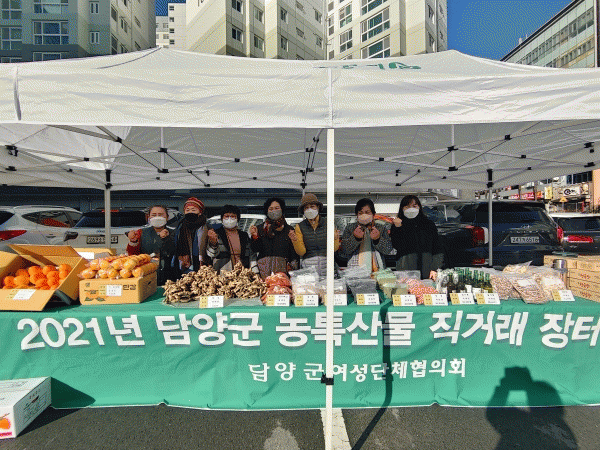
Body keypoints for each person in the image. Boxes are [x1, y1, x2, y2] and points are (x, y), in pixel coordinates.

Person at [390, 195, 443, 280]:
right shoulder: (398, 225)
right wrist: (398, 228)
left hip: (427, 270)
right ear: (402, 209)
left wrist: (435, 268)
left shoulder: (428, 224)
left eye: (414, 206)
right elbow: (398, 246)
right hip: (405, 271)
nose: (411, 209)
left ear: (419, 207)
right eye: (407, 207)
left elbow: (437, 248)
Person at [290, 193, 340, 278]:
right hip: (309, 269)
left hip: (328, 267)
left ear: (318, 207)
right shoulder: (300, 226)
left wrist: (335, 239)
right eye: (306, 208)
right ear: (303, 211)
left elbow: (334, 249)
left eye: (312, 206)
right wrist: (295, 241)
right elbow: (301, 252)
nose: (309, 209)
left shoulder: (329, 222)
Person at [249, 197, 298, 279]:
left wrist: (293, 269)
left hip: (283, 274)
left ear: (282, 209)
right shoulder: (259, 229)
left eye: (277, 208)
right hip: (263, 272)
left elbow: (293, 253)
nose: (274, 211)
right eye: (271, 209)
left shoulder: (289, 229)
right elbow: (254, 250)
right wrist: (255, 237)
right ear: (267, 211)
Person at [340, 198, 392, 274]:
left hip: (377, 270)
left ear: (373, 214)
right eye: (360, 213)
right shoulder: (350, 228)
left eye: (367, 212)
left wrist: (377, 239)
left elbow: (388, 250)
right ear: (357, 215)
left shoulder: (381, 228)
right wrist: (355, 238)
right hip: (355, 270)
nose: (364, 215)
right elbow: (344, 251)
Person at [126, 205, 176, 285]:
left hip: (170, 276)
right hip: (147, 275)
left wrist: (166, 239)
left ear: (167, 217)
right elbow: (133, 256)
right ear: (149, 217)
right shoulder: (141, 233)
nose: (157, 217)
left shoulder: (174, 233)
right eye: (154, 215)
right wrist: (133, 241)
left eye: (160, 215)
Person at [207, 204, 258, 273]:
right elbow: (211, 255)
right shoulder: (216, 234)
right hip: (222, 273)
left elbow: (251, 255)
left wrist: (254, 272)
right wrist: (213, 242)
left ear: (237, 219)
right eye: (226, 216)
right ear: (222, 219)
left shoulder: (244, 235)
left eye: (233, 216)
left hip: (241, 273)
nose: (229, 219)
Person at [171, 197, 210, 275]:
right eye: (187, 210)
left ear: (200, 212)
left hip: (202, 264)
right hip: (184, 264)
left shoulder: (206, 227)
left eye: (193, 210)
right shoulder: (180, 226)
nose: (190, 212)